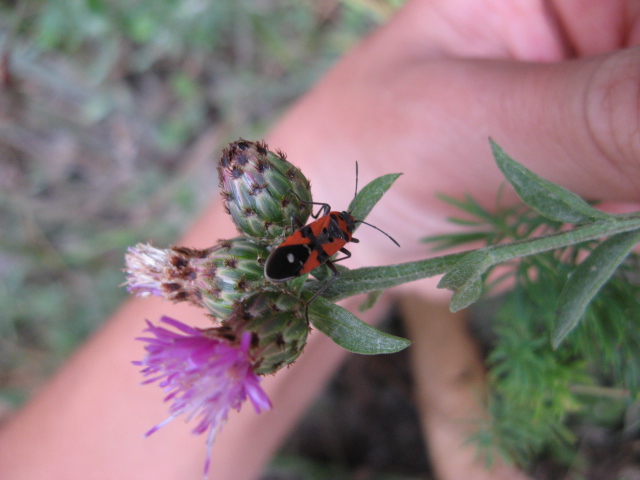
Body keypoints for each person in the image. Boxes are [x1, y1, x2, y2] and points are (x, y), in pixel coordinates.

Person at [2, 0, 640, 478]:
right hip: (278, 282)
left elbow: (308, 262)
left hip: (281, 278)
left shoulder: (301, 258)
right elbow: (307, 265)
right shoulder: (297, 265)